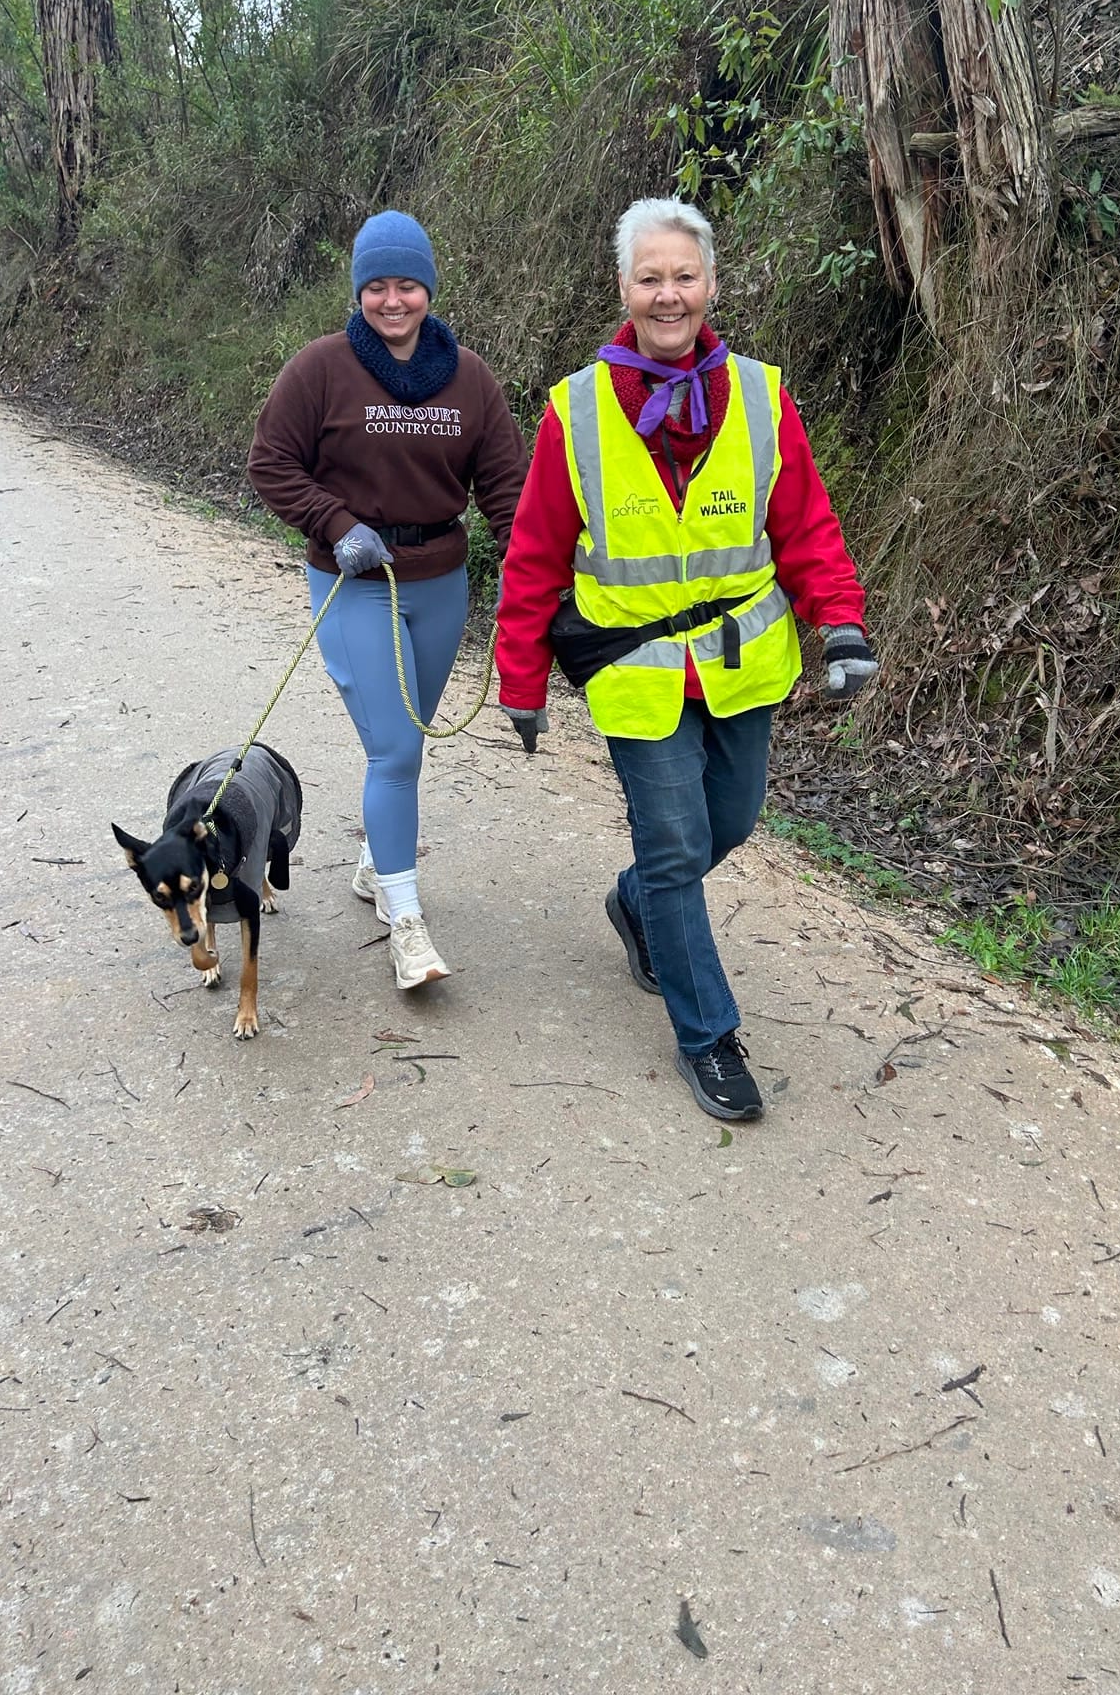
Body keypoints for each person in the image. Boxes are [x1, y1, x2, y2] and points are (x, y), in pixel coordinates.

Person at [494, 197, 878, 1122]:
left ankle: (634, 905)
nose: (669, 295)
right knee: (674, 849)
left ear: (711, 284)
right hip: (634, 675)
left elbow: (804, 525)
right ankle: (707, 1035)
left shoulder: (758, 394)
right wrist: (521, 680)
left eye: (685, 276)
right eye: (649, 277)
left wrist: (843, 620)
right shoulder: (576, 412)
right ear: (623, 289)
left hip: (742, 662)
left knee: (728, 825)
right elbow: (536, 551)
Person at [247, 211, 529, 990]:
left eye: (407, 284)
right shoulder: (321, 369)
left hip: (439, 580)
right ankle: (407, 922)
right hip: (354, 580)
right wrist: (336, 523)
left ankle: (377, 862)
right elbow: (270, 462)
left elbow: (504, 482)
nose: (392, 300)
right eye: (377, 285)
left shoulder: (468, 377)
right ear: (359, 291)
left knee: (412, 733)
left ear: (429, 290)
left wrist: (525, 556)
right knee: (396, 749)